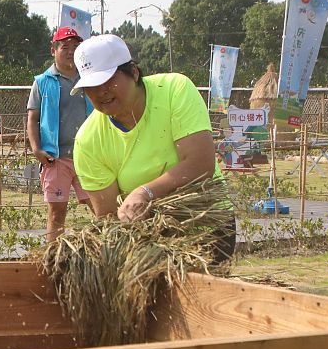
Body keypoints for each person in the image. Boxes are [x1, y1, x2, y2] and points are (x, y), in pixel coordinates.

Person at [69, 33, 235, 262]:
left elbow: (201, 165)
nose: (100, 92)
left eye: (108, 81)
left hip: (207, 225)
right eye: (91, 87)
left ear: (134, 72)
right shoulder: (88, 141)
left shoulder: (174, 90)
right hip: (148, 243)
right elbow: (108, 217)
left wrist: (145, 192)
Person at [26, 25, 94, 241]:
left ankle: (108, 252)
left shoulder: (90, 79)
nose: (71, 51)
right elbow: (33, 118)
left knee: (100, 206)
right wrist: (36, 149)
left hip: (89, 156)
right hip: (56, 158)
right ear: (53, 50)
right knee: (57, 213)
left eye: (76, 47)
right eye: (65, 47)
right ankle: (52, 256)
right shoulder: (43, 82)